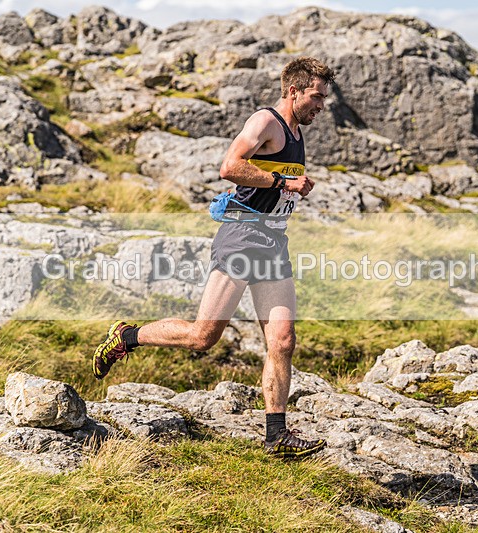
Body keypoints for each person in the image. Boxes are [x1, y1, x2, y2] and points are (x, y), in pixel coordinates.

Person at [92, 56, 334, 458]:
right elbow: (229, 166)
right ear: (293, 90)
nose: (321, 106)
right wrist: (282, 180)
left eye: (323, 98)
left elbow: (270, 184)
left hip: (273, 243)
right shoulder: (266, 122)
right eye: (316, 97)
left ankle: (277, 435)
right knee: (203, 337)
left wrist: (288, 190)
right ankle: (127, 336)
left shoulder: (295, 130)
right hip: (241, 238)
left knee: (283, 340)